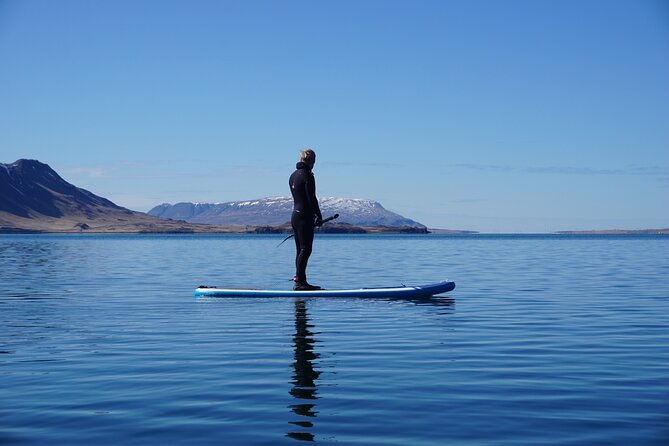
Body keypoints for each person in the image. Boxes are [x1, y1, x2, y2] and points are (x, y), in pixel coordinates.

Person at [289, 149, 323, 291]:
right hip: (304, 217)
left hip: (295, 216)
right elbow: (311, 198)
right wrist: (318, 216)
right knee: (306, 249)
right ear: (311, 161)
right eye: (314, 162)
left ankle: (299, 280)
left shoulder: (293, 175)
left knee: (300, 250)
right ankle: (300, 282)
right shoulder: (308, 176)